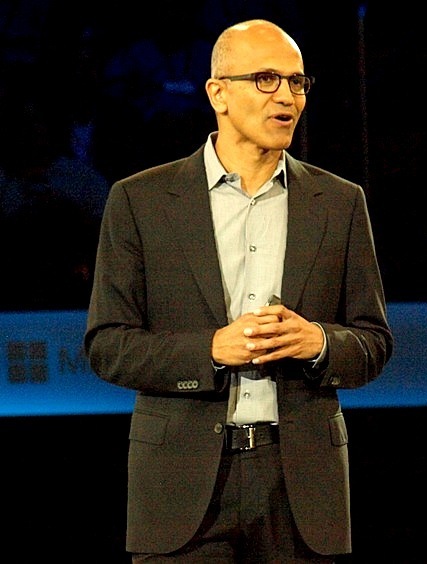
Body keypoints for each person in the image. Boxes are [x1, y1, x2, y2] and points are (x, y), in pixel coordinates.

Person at [85, 18, 393, 562]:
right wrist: (210, 349)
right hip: (180, 484)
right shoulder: (141, 200)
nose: (288, 97)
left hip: (301, 485)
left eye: (297, 82)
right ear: (218, 93)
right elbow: (108, 345)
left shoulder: (340, 202)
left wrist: (319, 342)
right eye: (267, 79)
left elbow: (374, 342)